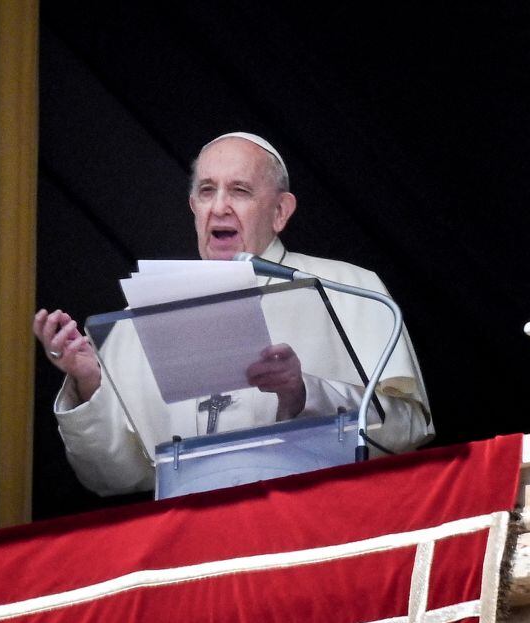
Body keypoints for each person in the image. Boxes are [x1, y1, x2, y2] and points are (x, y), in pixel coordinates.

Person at [33, 132, 434, 496]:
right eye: (207, 191)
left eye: (239, 191)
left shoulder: (347, 287)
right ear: (193, 206)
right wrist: (89, 383)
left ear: (280, 211)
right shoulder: (143, 312)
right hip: (191, 542)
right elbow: (110, 478)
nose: (220, 206)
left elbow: (406, 432)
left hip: (313, 528)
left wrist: (303, 394)